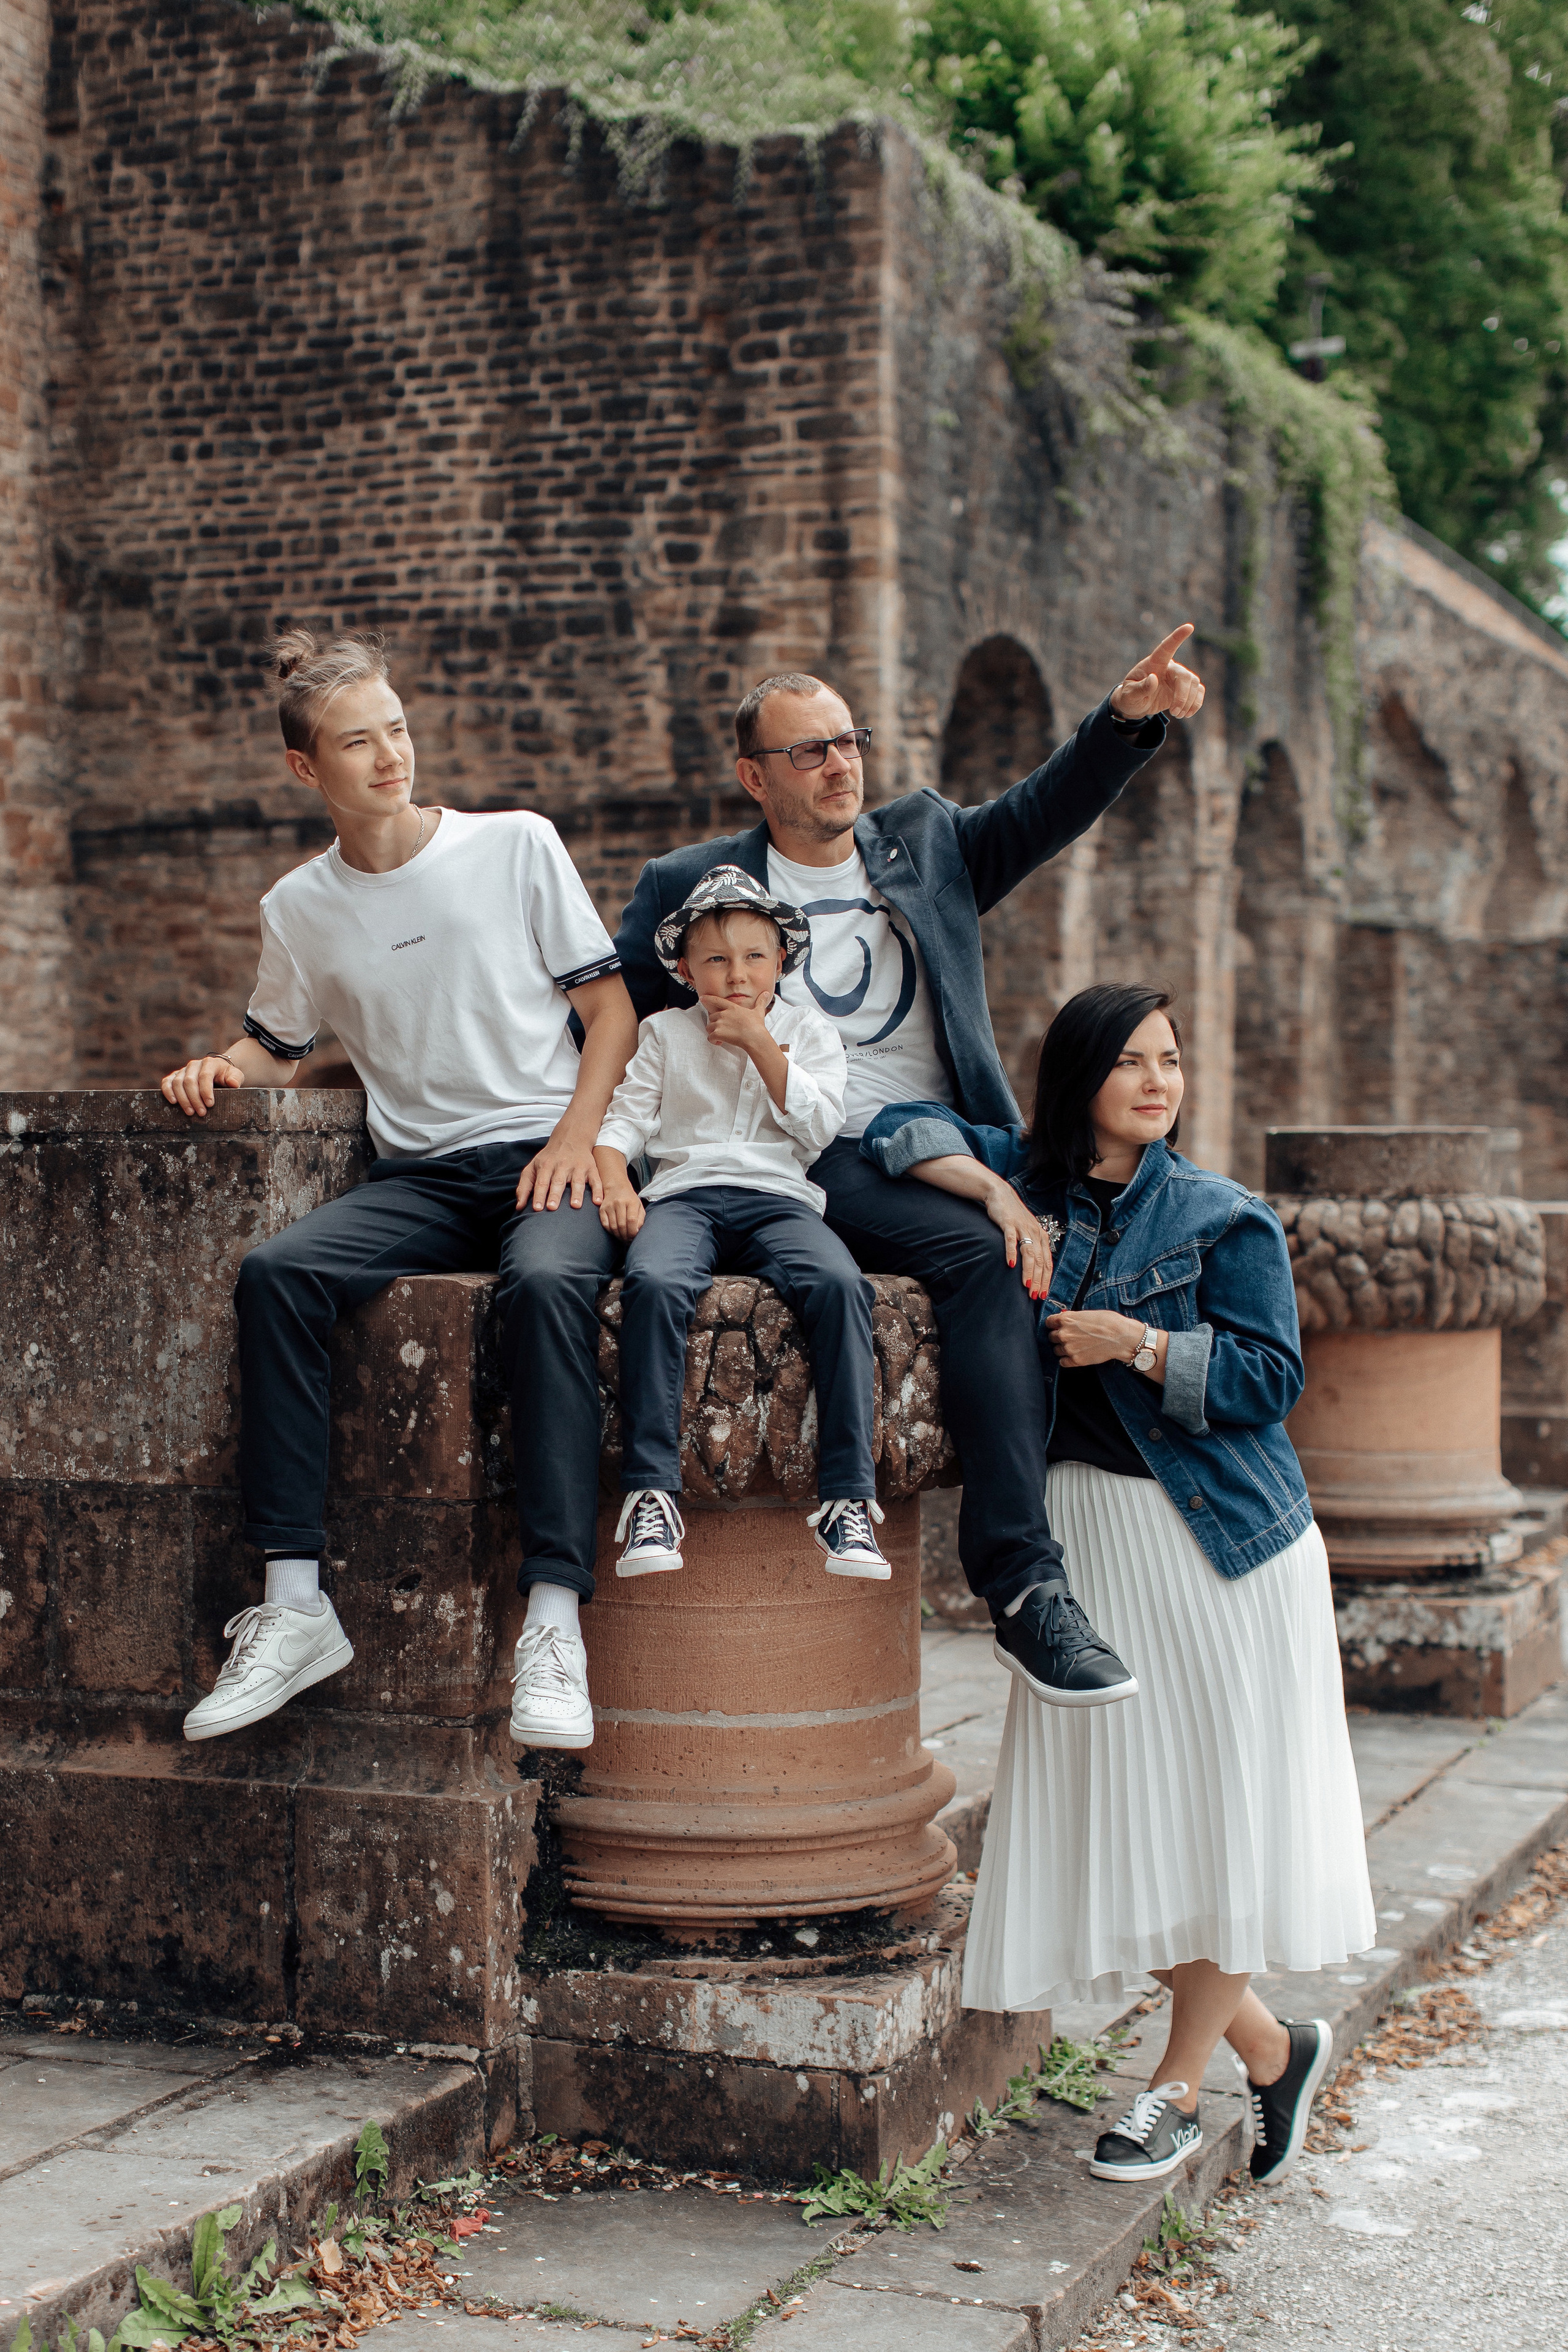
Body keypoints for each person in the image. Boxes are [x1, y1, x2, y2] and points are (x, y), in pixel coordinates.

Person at [614, 629, 1204, 1702]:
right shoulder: (691, 886)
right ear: (755, 776)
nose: (841, 765)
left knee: (1139, 1226)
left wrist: (1124, 722)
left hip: (953, 1132)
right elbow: (609, 1017)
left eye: (850, 741)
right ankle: (1025, 1589)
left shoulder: (924, 841)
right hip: (812, 1147)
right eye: (810, 751)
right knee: (989, 1260)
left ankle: (1161, 1533)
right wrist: (584, 1145)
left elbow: (1041, 812)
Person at [860, 983, 1376, 2190]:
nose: (1157, 1082)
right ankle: (1272, 2048)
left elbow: (1269, 1379)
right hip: (1083, 1546)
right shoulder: (1018, 1173)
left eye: (1171, 1061)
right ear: (1079, 1074)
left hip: (1221, 1547)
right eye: (1132, 1061)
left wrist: (1135, 1344)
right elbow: (887, 1135)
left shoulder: (1219, 1216)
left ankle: (1174, 2091)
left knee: (1213, 1825)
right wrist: (994, 1194)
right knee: (1118, 1829)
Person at [160, 629, 639, 1754]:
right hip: (419, 1174)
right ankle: (295, 1606)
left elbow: (610, 1010)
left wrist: (577, 1136)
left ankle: (554, 1623)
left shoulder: (514, 844)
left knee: (545, 1292)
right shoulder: (298, 906)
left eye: (398, 730)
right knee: (277, 1276)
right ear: (305, 767)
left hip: (547, 1155)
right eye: (357, 743)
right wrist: (218, 1067)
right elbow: (278, 1044)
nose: (391, 758)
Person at [595, 865, 888, 1578]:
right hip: (684, 1195)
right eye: (716, 960)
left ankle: (847, 1499)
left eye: (755, 957)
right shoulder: (665, 1032)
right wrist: (614, 1179)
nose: (736, 975)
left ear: (780, 962)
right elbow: (625, 1119)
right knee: (653, 1281)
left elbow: (818, 1128)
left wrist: (760, 1044)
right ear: (686, 970)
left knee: (838, 1285)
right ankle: (652, 1495)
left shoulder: (808, 1031)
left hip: (778, 1197)